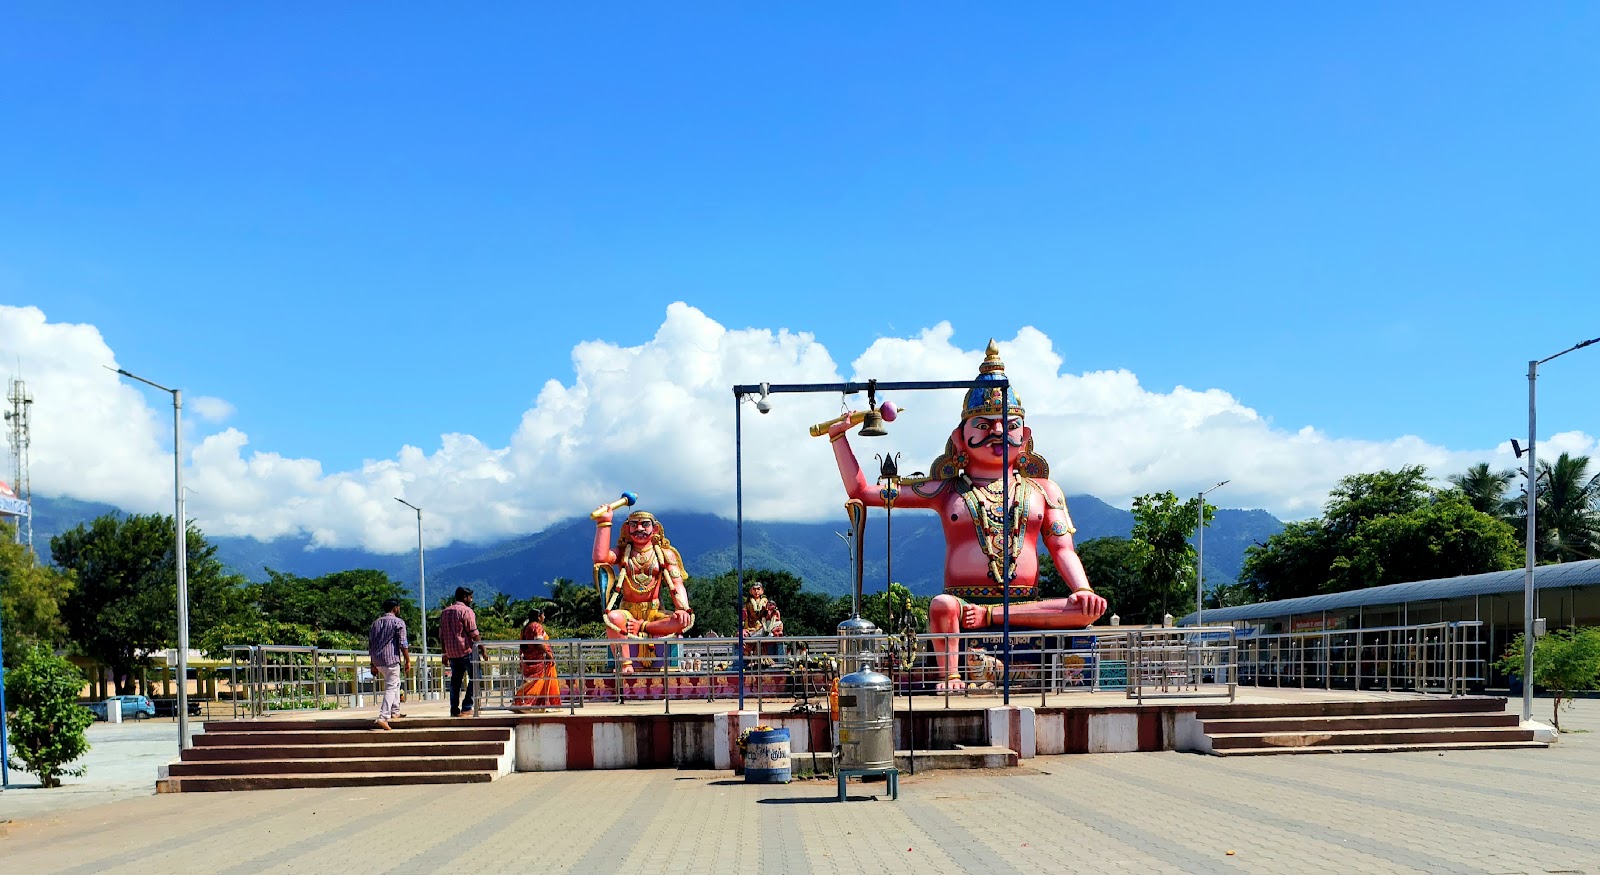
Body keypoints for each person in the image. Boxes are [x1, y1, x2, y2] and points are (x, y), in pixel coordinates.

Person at [828, 340, 1108, 690]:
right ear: (960, 438)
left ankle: (993, 615)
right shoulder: (946, 490)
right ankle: (951, 676)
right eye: (983, 425)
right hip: (961, 605)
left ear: (1025, 436)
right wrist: (838, 438)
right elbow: (862, 492)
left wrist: (1082, 589)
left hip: (1025, 606)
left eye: (1008, 424)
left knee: (1088, 607)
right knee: (942, 606)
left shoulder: (1044, 490)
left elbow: (1063, 549)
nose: (997, 432)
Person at [591, 508, 694, 674]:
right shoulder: (623, 552)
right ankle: (625, 664)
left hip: (655, 612)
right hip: (628, 612)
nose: (639, 528)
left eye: (645, 524)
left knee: (682, 621)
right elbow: (600, 559)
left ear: (655, 529)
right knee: (612, 618)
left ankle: (645, 627)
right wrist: (604, 523)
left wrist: (682, 608)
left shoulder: (665, 554)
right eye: (634, 525)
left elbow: (677, 583)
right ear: (627, 529)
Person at [367, 598, 410, 730]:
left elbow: (371, 644)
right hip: (391, 659)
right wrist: (407, 660)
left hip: (377, 660)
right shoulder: (398, 622)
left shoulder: (376, 623)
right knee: (391, 687)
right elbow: (403, 643)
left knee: (395, 683)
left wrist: (372, 664)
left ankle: (395, 711)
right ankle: (383, 717)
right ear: (395, 608)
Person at [439, 586, 480, 716]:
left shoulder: (445, 612)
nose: (471, 600)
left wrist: (444, 653)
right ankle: (467, 706)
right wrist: (483, 649)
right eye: (470, 597)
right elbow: (474, 633)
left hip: (452, 653)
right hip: (466, 651)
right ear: (464, 597)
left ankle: (454, 709)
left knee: (455, 682)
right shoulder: (466, 611)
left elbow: (442, 635)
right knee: (476, 677)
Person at [512, 606, 562, 711]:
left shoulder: (526, 627)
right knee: (537, 682)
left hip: (529, 659)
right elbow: (538, 643)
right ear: (539, 617)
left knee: (533, 682)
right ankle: (527, 704)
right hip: (539, 660)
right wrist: (548, 655)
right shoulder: (536, 626)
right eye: (543, 615)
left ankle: (534, 705)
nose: (545, 617)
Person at [740, 580, 784, 665]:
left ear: (762, 591)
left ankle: (766, 659)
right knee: (741, 635)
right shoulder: (748, 603)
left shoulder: (766, 602)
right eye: (754, 589)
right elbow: (744, 615)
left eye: (758, 589)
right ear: (751, 591)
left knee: (775, 632)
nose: (756, 591)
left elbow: (771, 615)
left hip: (763, 625)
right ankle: (748, 659)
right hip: (750, 626)